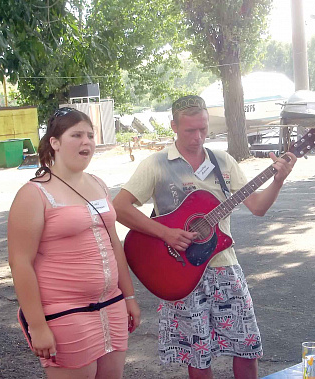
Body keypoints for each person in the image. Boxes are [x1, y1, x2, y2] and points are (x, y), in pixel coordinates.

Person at [112, 95, 297, 378]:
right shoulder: (157, 164)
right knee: (199, 356)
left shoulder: (222, 161)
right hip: (180, 271)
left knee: (247, 347)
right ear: (173, 126)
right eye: (190, 130)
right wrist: (167, 233)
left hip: (224, 265)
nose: (198, 137)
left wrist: (278, 180)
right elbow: (120, 208)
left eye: (203, 129)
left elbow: (257, 207)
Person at [8, 107, 141, 378]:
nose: (87, 142)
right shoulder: (34, 194)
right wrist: (38, 326)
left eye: (90, 135)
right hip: (65, 313)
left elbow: (114, 243)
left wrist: (128, 296)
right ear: (54, 143)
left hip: (111, 305)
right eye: (76, 135)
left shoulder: (98, 184)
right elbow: (20, 262)